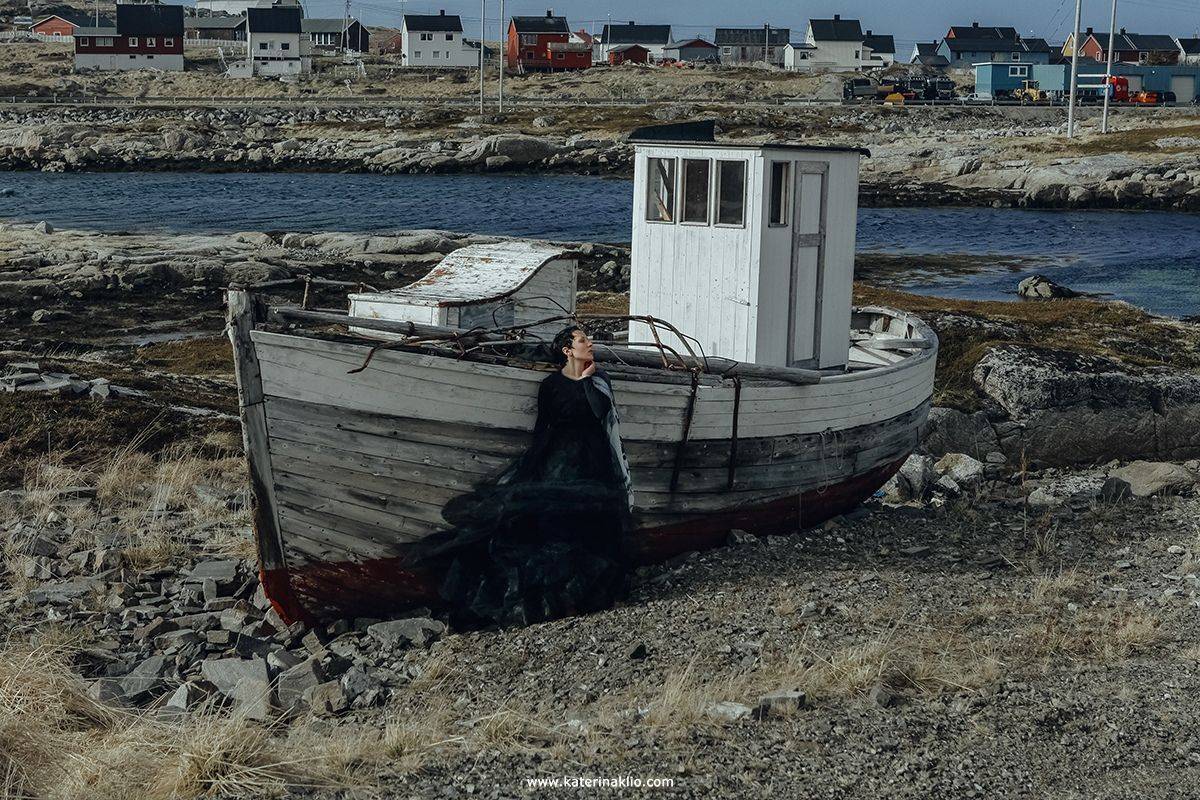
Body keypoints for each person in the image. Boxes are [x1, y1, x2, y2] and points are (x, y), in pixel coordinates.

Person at [421, 325, 633, 628]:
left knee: (593, 527)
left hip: (595, 461)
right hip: (559, 461)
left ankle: (588, 595)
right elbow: (546, 427)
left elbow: (601, 413)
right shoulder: (551, 385)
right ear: (567, 350)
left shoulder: (599, 380)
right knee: (553, 529)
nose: (590, 344)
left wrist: (587, 381)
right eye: (583, 340)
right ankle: (555, 598)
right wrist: (533, 467)